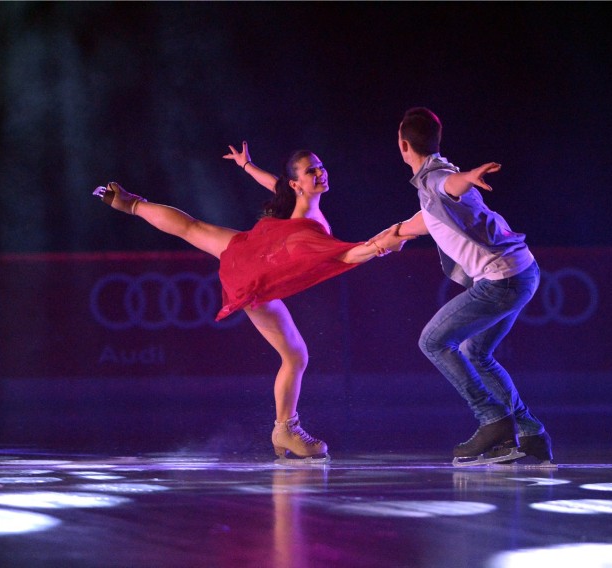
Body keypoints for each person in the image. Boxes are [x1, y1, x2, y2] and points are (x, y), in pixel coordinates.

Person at [93, 142, 411, 462]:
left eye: (320, 166)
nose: (320, 172)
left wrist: (247, 166)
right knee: (296, 355)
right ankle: (285, 428)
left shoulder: (293, 200)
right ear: (297, 183)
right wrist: (381, 245)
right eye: (310, 170)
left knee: (193, 229)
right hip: (256, 278)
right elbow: (347, 254)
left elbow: (274, 183)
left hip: (246, 250)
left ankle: (131, 204)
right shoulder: (309, 227)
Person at [392, 107, 553, 466]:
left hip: (502, 280)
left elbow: (449, 187)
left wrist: (469, 175)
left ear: (403, 145)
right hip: (522, 271)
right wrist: (397, 233)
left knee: (433, 341)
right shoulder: (433, 179)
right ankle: (530, 435)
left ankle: (492, 420)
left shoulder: (439, 177)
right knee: (475, 351)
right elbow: (432, 214)